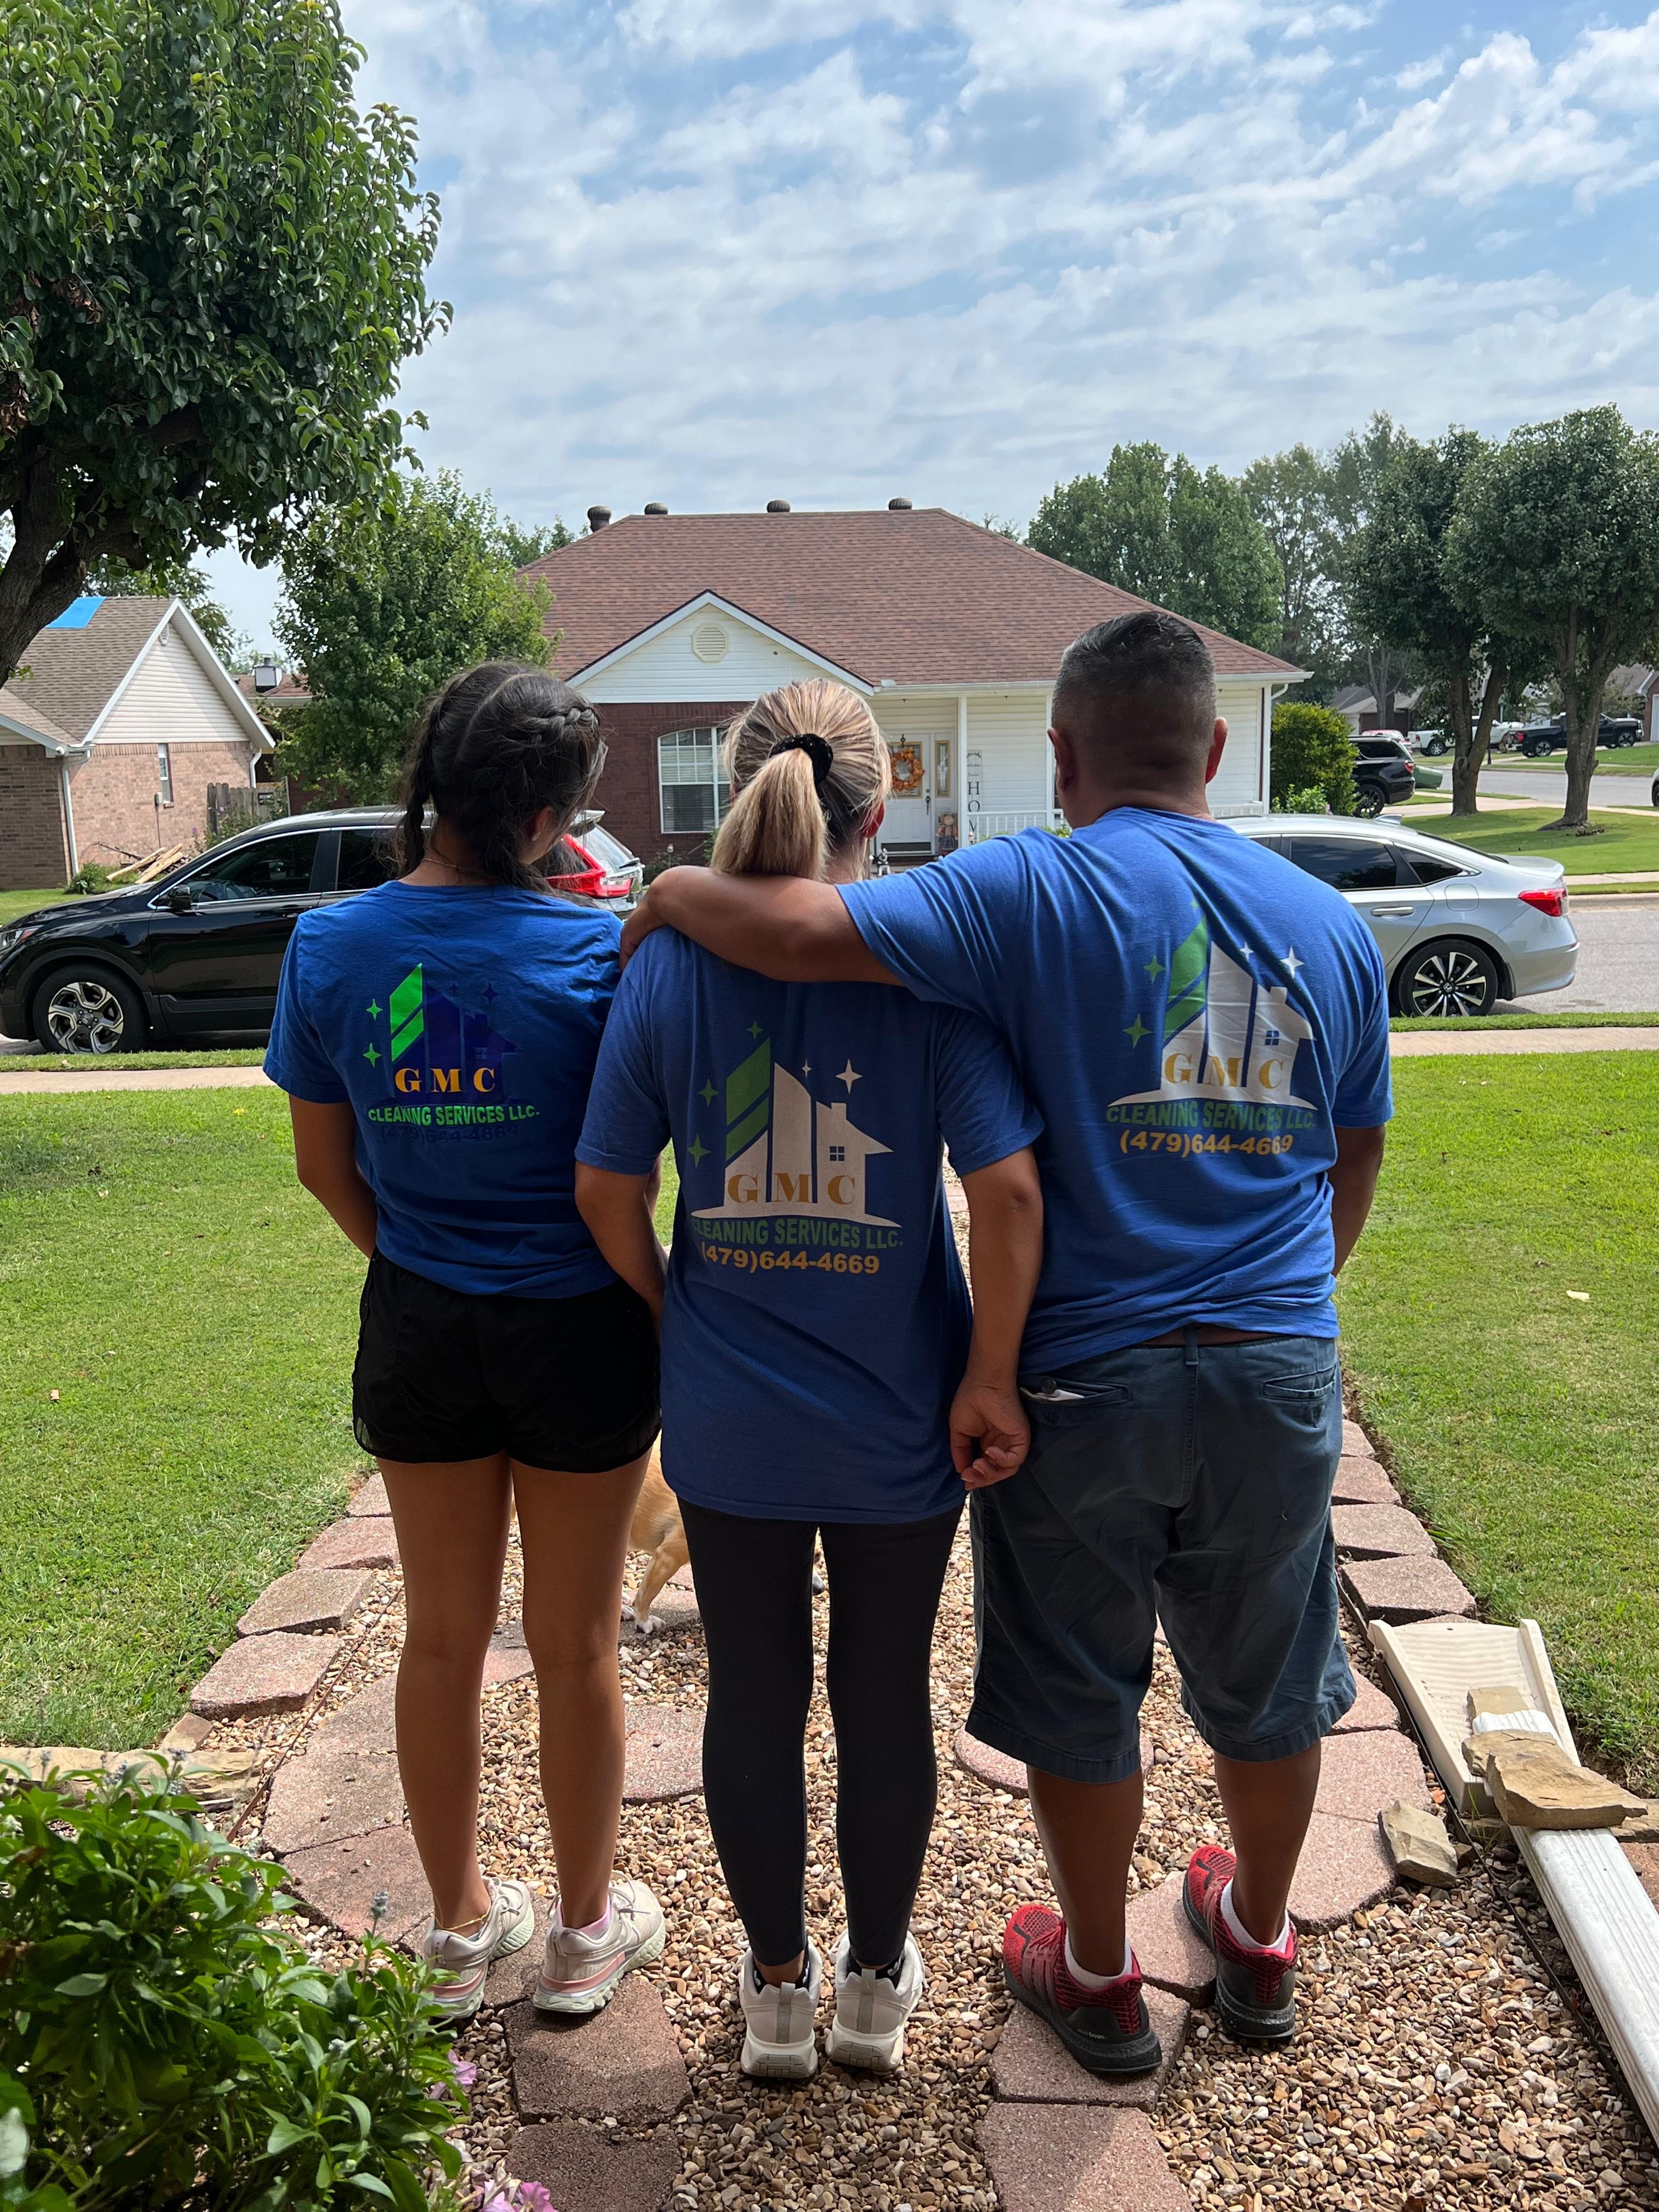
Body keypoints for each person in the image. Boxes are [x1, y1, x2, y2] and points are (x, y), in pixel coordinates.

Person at [619, 613, 1391, 2071]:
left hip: (1086, 1371)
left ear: (1059, 756)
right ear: (1217, 745)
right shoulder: (1331, 925)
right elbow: (1351, 1158)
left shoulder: (1026, 888)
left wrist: (665, 887)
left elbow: (791, 930)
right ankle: (1258, 1939)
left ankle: (1096, 1972)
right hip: (1274, 1355)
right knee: (1273, 1676)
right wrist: (1288, 1306)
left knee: (1081, 1688)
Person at [574, 676, 1045, 2080]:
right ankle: (874, 1984)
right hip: (902, 1415)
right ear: (877, 809)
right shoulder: (932, 974)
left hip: (733, 1420)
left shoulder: (666, 969)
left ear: (739, 794)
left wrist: (676, 1308)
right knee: (883, 1695)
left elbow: (606, 1189)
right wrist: (992, 1373)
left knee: (755, 1694)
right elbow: (1008, 1194)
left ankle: (777, 1990)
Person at [265, 664, 665, 2025]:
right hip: (580, 1329)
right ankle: (584, 1935)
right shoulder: (600, 953)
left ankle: (454, 1928)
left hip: (422, 1324)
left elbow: (324, 1168)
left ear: (431, 778)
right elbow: (623, 1174)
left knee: (439, 1638)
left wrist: (425, 1264)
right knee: (578, 1643)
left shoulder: (331, 946)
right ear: (550, 815)